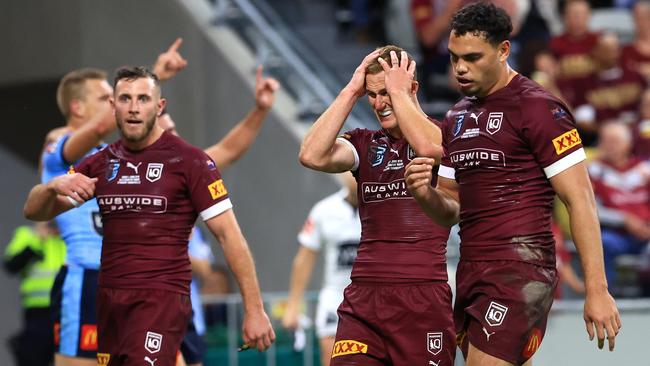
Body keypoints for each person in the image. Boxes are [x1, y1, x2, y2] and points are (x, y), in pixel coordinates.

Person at [404, 2, 620, 365]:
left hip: (522, 269)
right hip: (472, 270)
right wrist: (424, 192)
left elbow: (580, 200)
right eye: (455, 57)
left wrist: (597, 290)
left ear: (504, 50)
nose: (460, 68)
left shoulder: (539, 109)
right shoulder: (456, 117)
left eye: (472, 57)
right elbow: (449, 211)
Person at [23, 66, 275, 366]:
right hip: (109, 301)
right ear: (113, 107)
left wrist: (254, 308)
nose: (133, 108)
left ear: (159, 106)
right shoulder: (101, 163)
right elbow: (34, 211)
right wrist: (52, 186)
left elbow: (229, 235)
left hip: (161, 300)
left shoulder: (190, 161)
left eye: (143, 99)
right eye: (125, 99)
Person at [299, 45, 454, 366]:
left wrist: (401, 96)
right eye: (372, 95)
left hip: (421, 296)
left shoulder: (445, 135)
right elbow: (311, 154)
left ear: (412, 88)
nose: (379, 103)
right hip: (364, 299)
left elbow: (432, 147)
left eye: (388, 92)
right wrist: (352, 89)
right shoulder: (365, 143)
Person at [40, 38, 188, 366]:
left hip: (136, 280)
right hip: (87, 279)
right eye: (107, 97)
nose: (115, 103)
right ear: (78, 108)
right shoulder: (60, 146)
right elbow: (90, 132)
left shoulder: (116, 156)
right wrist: (156, 74)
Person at [157, 65, 279, 366]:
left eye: (175, 130)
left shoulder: (185, 170)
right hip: (145, 314)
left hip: (187, 316)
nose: (177, 137)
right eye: (168, 131)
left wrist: (260, 111)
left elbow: (228, 149)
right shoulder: (120, 172)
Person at [282, 172, 360, 366]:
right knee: (332, 358)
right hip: (335, 297)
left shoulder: (385, 209)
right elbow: (305, 258)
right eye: (350, 169)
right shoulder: (324, 210)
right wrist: (293, 305)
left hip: (374, 296)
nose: (354, 175)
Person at [588, 122, 650, 294]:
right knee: (602, 243)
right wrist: (624, 220)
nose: (609, 146)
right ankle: (604, 296)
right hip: (616, 235)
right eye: (605, 141)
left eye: (614, 141)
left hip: (646, 233)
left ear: (628, 144)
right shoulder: (593, 170)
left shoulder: (644, 168)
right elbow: (590, 209)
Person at [4, 222, 66, 366]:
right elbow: (11, 265)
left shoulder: (68, 238)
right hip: (37, 313)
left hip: (66, 312)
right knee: (33, 357)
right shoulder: (27, 235)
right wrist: (37, 241)